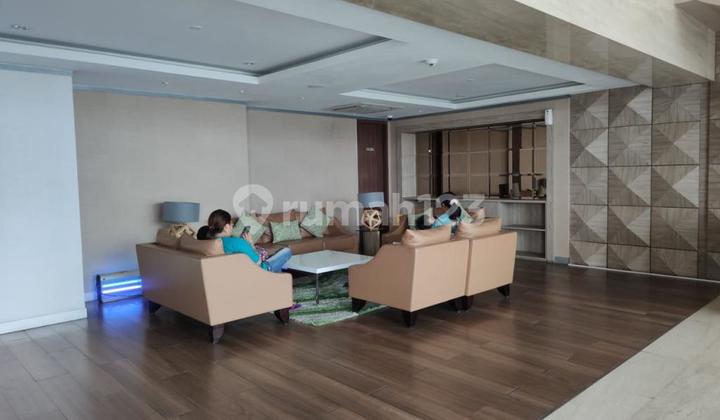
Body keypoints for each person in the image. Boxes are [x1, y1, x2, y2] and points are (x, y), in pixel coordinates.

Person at [205, 209, 292, 273]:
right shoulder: (237, 242)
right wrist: (250, 243)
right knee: (287, 251)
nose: (232, 225)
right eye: (231, 224)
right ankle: (276, 280)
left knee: (276, 261)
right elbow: (258, 262)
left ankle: (277, 280)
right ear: (226, 227)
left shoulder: (208, 243)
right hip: (261, 271)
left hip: (235, 274)